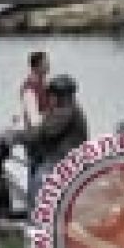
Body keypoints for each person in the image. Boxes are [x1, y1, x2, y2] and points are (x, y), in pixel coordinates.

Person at [17, 74, 88, 209]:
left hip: (63, 160)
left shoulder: (66, 111)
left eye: (53, 95)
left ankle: (38, 222)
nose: (50, 98)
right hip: (55, 157)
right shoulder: (61, 110)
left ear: (62, 96)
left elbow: (45, 132)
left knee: (40, 180)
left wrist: (15, 137)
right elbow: (42, 127)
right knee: (35, 168)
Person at [17, 51, 49, 210]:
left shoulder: (42, 84)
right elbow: (33, 117)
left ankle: (37, 205)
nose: (48, 65)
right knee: (36, 171)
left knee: (37, 170)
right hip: (34, 137)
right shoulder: (30, 88)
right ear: (37, 65)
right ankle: (33, 207)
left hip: (39, 135)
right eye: (46, 62)